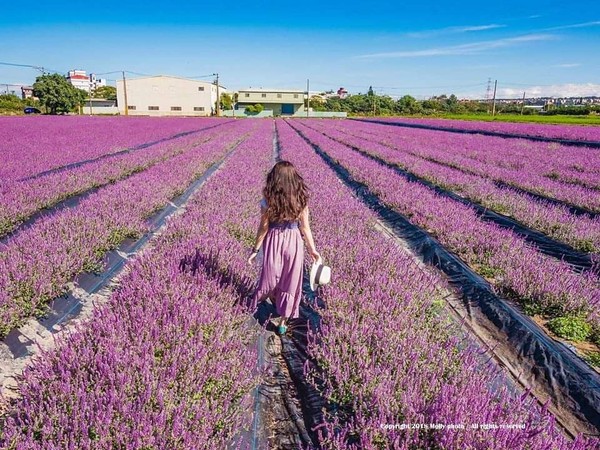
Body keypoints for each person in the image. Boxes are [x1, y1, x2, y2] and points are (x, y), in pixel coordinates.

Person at [248, 160, 320, 335]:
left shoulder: (268, 200)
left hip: (274, 240)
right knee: (291, 279)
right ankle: (283, 321)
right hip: (294, 241)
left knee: (270, 276)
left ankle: (257, 304)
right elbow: (305, 228)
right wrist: (312, 249)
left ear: (275, 180)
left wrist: (255, 250)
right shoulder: (301, 201)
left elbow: (263, 228)